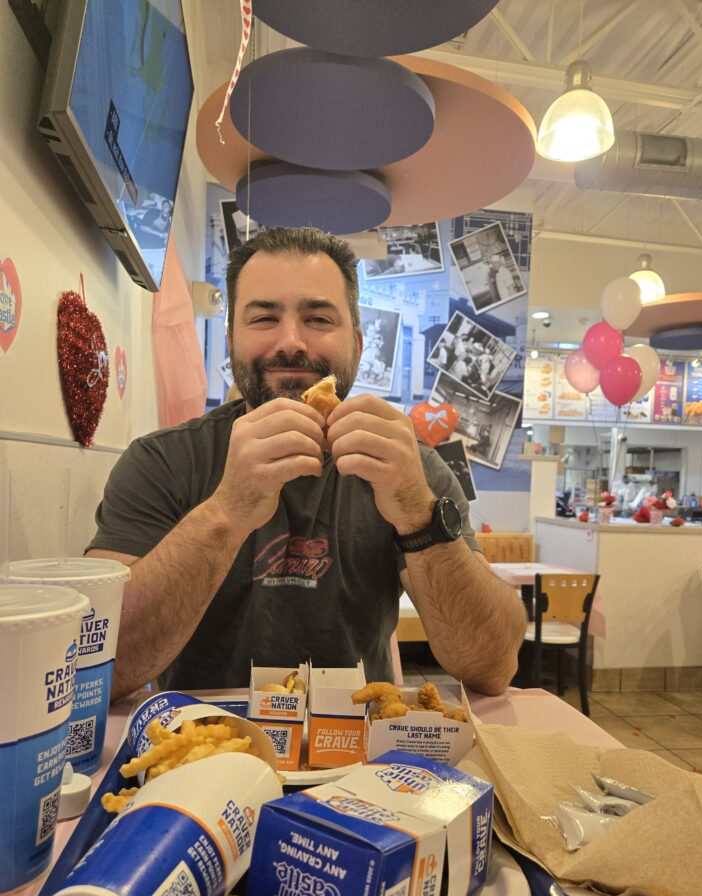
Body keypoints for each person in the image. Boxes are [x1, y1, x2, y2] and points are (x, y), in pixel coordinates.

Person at [87, 226, 526, 701]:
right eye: (263, 319)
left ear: (357, 342)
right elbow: (98, 667)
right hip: (199, 755)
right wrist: (227, 511)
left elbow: (493, 666)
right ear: (232, 337)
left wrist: (417, 510)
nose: (291, 342)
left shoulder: (410, 468)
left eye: (318, 318)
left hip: (363, 756)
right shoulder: (163, 461)